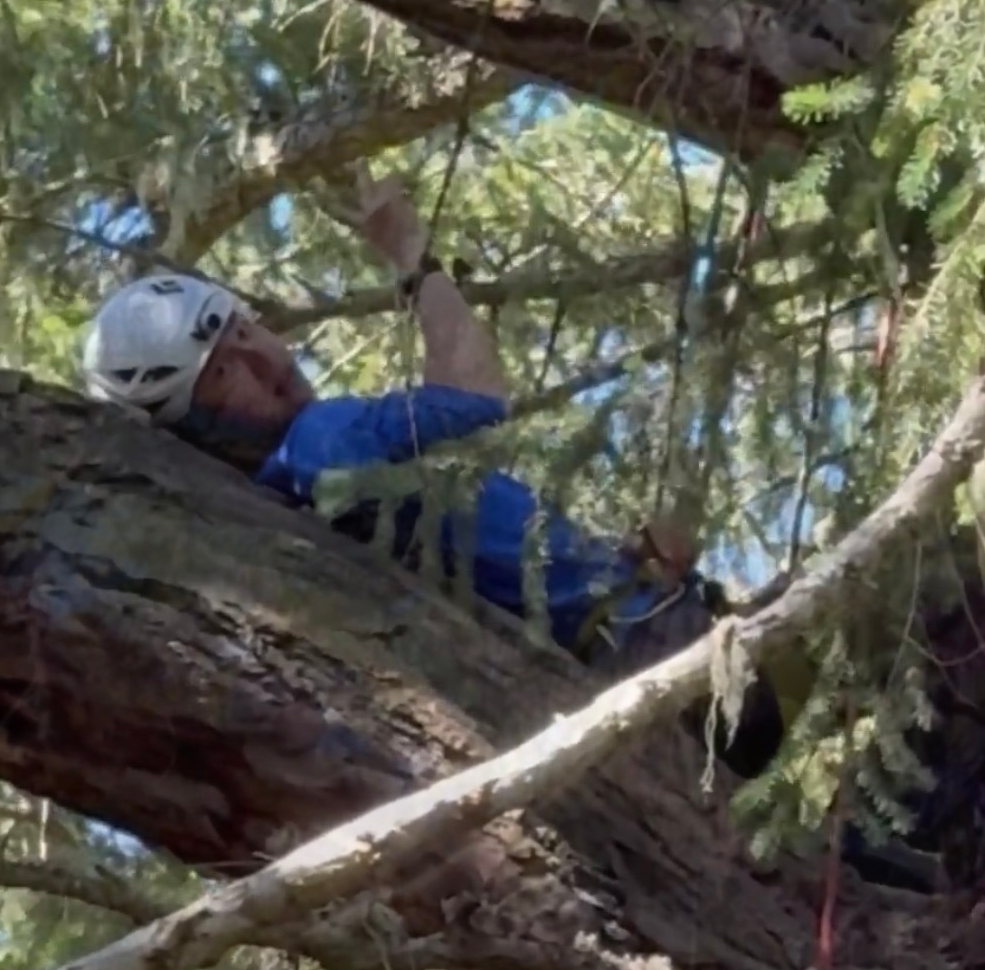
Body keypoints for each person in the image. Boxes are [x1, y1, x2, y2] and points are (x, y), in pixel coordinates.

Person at [80, 162, 802, 783]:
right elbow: (478, 396)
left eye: (244, 329)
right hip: (651, 649)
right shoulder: (320, 445)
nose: (266, 362)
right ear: (194, 425)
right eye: (224, 373)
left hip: (621, 655)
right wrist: (412, 255)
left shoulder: (294, 496)